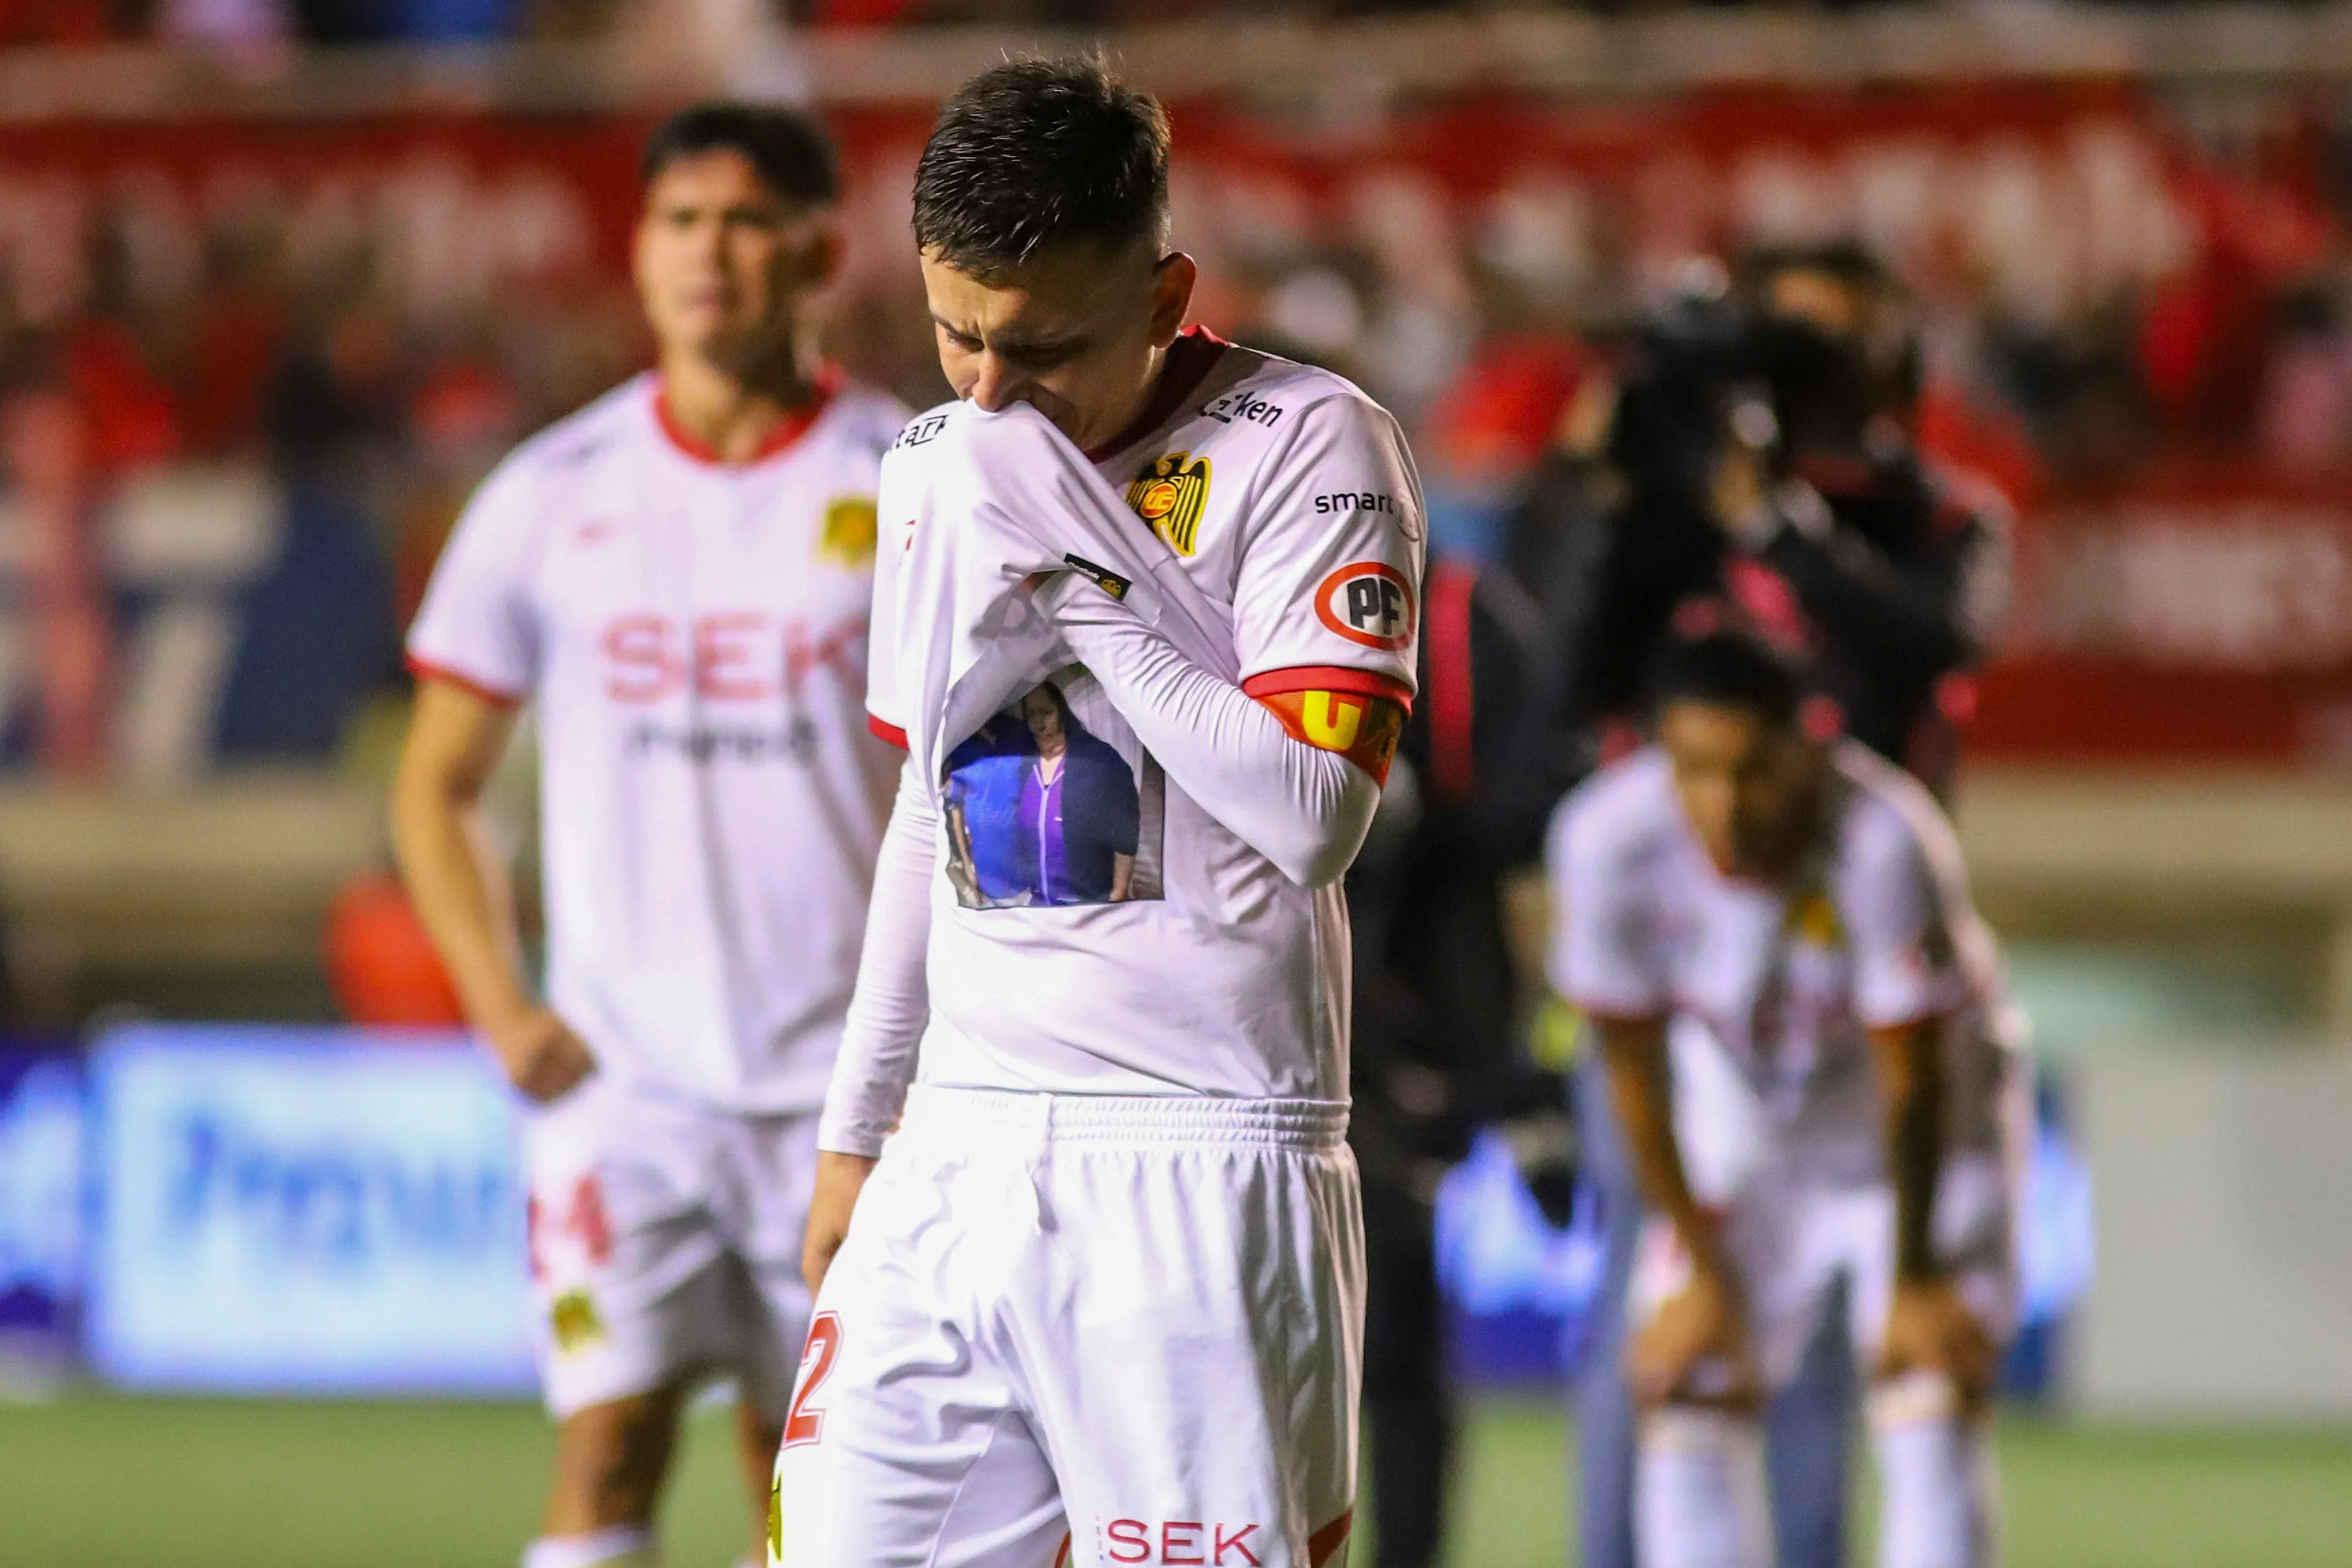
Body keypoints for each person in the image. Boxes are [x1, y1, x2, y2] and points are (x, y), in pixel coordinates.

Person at [773, 58, 1424, 1568]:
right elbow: (924, 819)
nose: (991, 390)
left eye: (1044, 345)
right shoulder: (932, 466)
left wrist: (1086, 593)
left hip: (1204, 1146)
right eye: (956, 335)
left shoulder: (1310, 443)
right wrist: (858, 1132)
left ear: (1163, 290)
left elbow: (1318, 808)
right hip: (958, 1148)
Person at [389, 104, 906, 1568]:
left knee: (804, 1469)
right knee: (608, 1436)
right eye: (679, 222)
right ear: (637, 249)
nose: (709, 255)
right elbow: (435, 783)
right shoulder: (550, 494)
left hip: (842, 1089)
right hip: (627, 1085)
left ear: (818, 246)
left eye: (744, 221)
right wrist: (501, 1005)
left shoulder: (904, 478)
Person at [1548, 620, 2018, 1568]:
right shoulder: (1602, 841)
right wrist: (1703, 1277)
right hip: (1742, 1129)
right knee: (1686, 1385)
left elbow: (1912, 1079)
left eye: (1751, 771)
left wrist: (1916, 1278)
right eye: (1692, 771)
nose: (1722, 806)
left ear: (1809, 749)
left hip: (1919, 1137)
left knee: (1924, 1393)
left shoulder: (1884, 837)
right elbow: (1632, 1071)